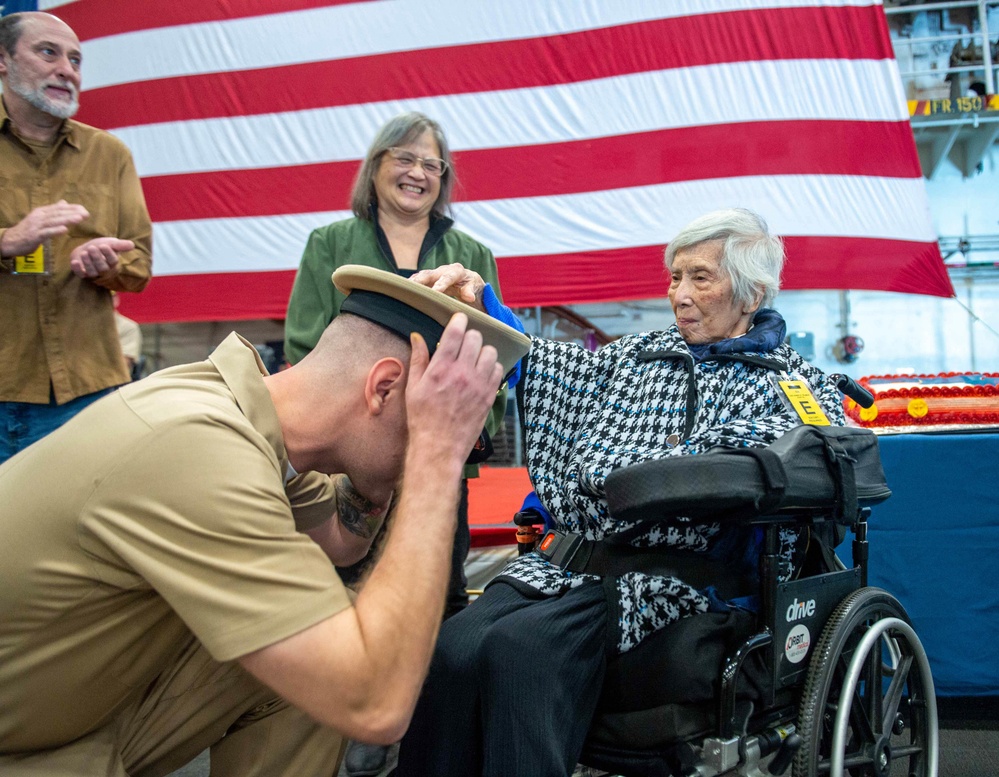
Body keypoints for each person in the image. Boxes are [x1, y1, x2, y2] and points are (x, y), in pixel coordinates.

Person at [0, 265, 530, 777]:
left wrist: (385, 471)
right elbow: (375, 703)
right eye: (453, 426)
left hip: (74, 711)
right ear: (384, 388)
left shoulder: (246, 418)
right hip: (29, 748)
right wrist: (435, 454)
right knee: (342, 678)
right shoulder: (197, 450)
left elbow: (343, 540)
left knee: (317, 655)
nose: (460, 449)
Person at [396, 208, 849, 776]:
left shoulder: (790, 380)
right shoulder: (639, 354)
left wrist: (662, 476)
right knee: (451, 649)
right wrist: (485, 308)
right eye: (675, 276)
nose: (679, 294)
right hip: (572, 564)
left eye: (700, 278)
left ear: (752, 293)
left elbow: (805, 453)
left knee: (521, 652)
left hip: (676, 579)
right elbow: (547, 364)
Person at [284, 111, 508, 775]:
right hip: (350, 462)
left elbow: (495, 360)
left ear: (444, 180)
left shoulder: (474, 256)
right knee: (343, 590)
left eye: (431, 164)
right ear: (376, 166)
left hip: (441, 462)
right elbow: (305, 348)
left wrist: (451, 426)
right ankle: (341, 745)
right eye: (403, 158)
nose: (416, 172)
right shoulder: (329, 241)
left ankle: (421, 747)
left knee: (434, 599)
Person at [0, 11, 152, 465]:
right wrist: (7, 242)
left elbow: (138, 267)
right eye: (48, 52)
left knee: (78, 532)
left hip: (89, 393)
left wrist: (106, 267)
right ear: (3, 61)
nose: (67, 69)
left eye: (76, 59)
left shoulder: (110, 154)